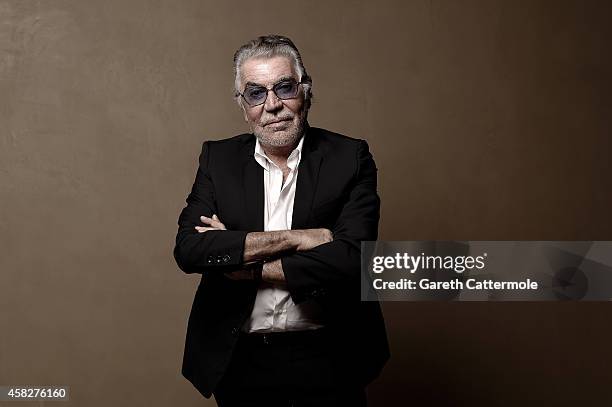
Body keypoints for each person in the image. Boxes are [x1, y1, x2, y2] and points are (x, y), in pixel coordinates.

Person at [173, 34, 389, 407]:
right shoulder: (217, 159)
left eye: (284, 87)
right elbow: (191, 249)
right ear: (243, 106)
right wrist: (302, 238)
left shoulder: (349, 157)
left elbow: (353, 257)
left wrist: (243, 260)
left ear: (306, 91)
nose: (272, 105)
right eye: (255, 93)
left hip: (329, 358)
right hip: (239, 360)